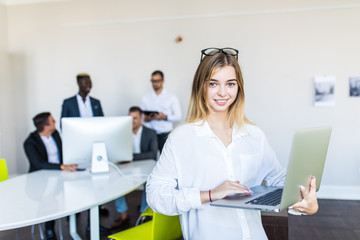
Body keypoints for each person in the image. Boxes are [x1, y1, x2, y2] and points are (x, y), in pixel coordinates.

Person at [146, 48, 319, 239]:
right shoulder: (181, 138)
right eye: (213, 83)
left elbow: (277, 179)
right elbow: (155, 196)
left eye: (230, 83)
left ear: (239, 88)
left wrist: (303, 201)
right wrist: (209, 194)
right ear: (200, 86)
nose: (222, 92)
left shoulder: (254, 134)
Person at [24, 112, 77, 240]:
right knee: (48, 199)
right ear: (46, 126)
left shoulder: (55, 134)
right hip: (40, 180)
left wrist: (69, 163)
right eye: (52, 121)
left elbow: (63, 151)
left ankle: (75, 219)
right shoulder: (30, 142)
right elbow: (38, 163)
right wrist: (62, 167)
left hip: (60, 174)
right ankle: (49, 229)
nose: (55, 123)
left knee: (75, 187)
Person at [112, 106, 158, 228]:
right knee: (116, 181)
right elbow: (118, 151)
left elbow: (153, 154)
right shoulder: (122, 133)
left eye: (135, 118)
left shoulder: (150, 133)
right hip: (128, 166)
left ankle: (144, 213)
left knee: (149, 184)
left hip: (145, 165)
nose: (132, 121)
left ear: (142, 118)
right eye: (130, 118)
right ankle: (123, 215)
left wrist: (130, 157)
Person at [140, 70, 181, 153]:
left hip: (165, 133)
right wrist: (146, 119)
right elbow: (141, 117)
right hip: (150, 133)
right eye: (153, 81)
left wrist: (165, 117)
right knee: (150, 158)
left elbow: (178, 117)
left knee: (166, 158)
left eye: (157, 81)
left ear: (163, 81)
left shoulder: (171, 97)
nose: (154, 83)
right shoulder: (146, 97)